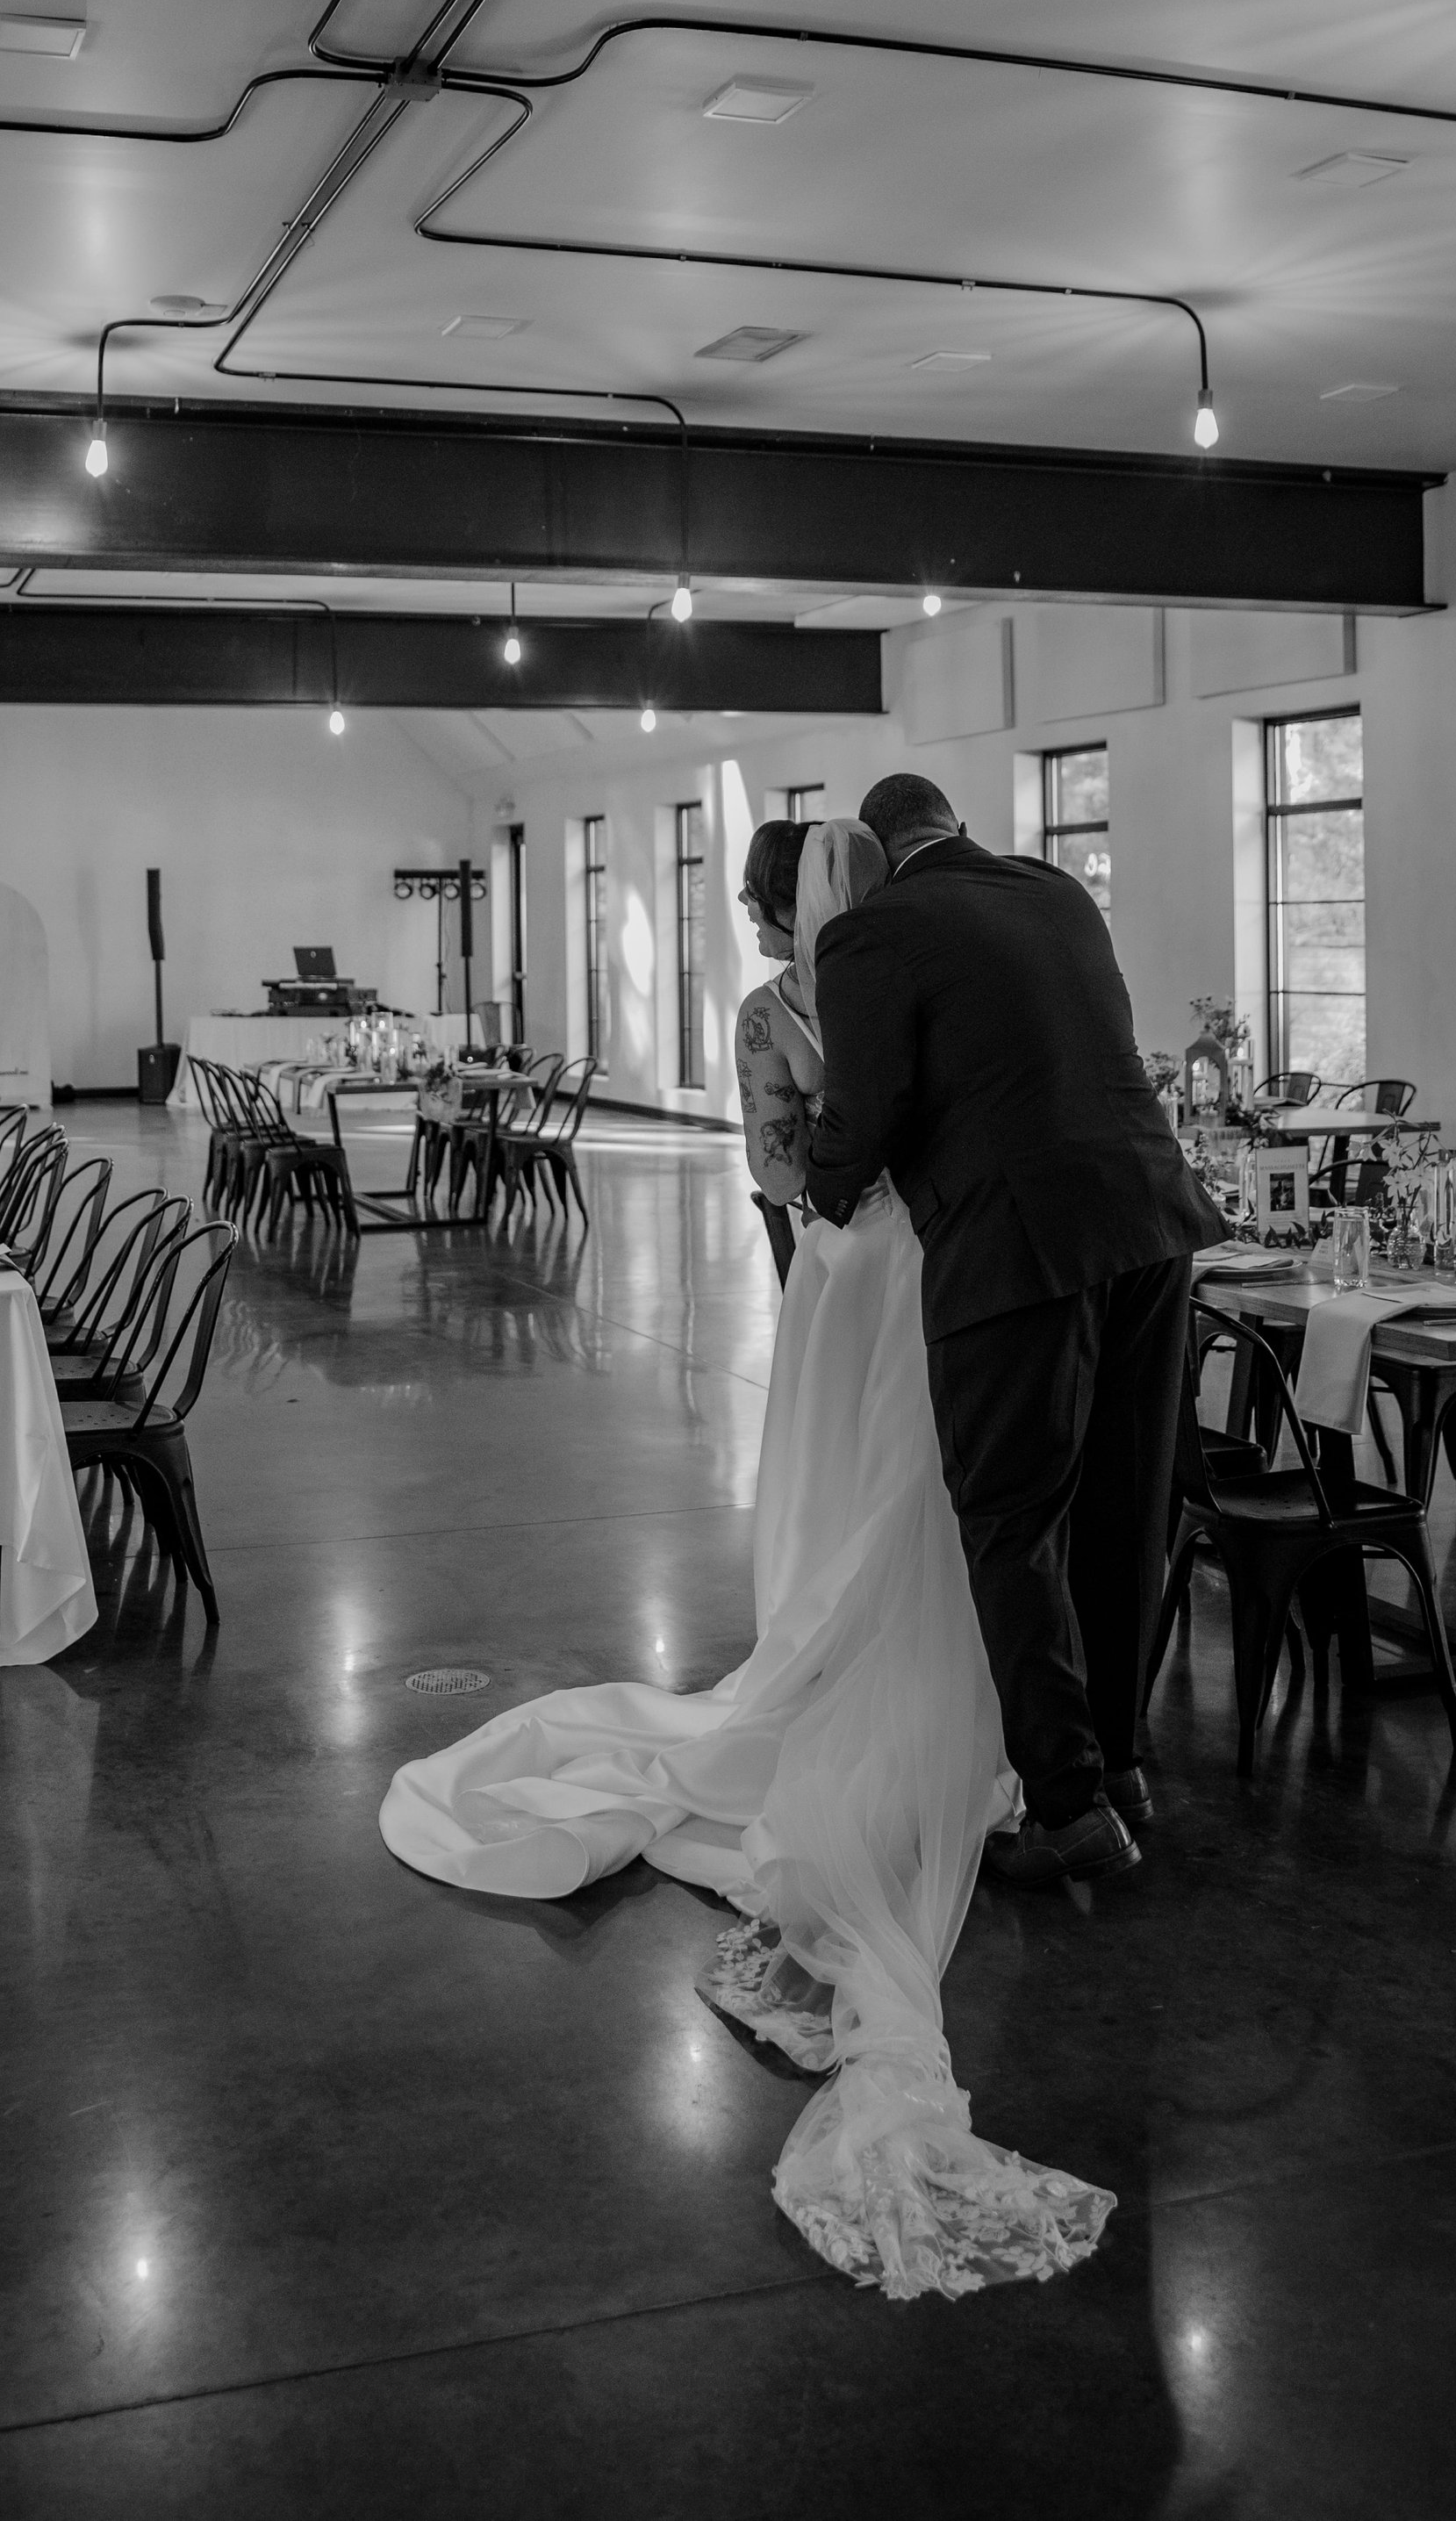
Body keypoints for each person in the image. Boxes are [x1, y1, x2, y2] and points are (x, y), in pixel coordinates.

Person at [379, 820, 1116, 2299]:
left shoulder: (858, 975)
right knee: (946, 1503)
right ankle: (1012, 1727)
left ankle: (991, 1722)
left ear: (805, 904)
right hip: (908, 1252)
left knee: (942, 1499)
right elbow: (824, 1142)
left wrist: (848, 1198)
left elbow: (832, 1142)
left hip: (915, 1253)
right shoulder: (880, 974)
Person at [804, 772, 1224, 1890]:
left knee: (1009, 1516)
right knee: (1127, 1505)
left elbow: (863, 1110)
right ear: (954, 826)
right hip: (1149, 1226)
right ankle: (1121, 1763)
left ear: (880, 848)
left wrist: (822, 1185)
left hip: (1019, 1249)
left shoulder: (871, 932)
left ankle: (1068, 1805)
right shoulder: (1056, 891)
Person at [733, 817, 818, 1283]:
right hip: (938, 1239)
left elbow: (781, 1180)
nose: (744, 901)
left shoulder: (767, 1014)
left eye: (754, 889)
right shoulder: (898, 983)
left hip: (843, 1241)